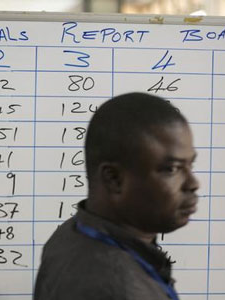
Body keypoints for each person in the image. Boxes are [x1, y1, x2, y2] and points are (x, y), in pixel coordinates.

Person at [34, 92, 199, 300]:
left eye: (190, 164)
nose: (193, 183)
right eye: (172, 169)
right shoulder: (119, 289)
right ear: (114, 179)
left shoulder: (73, 232)